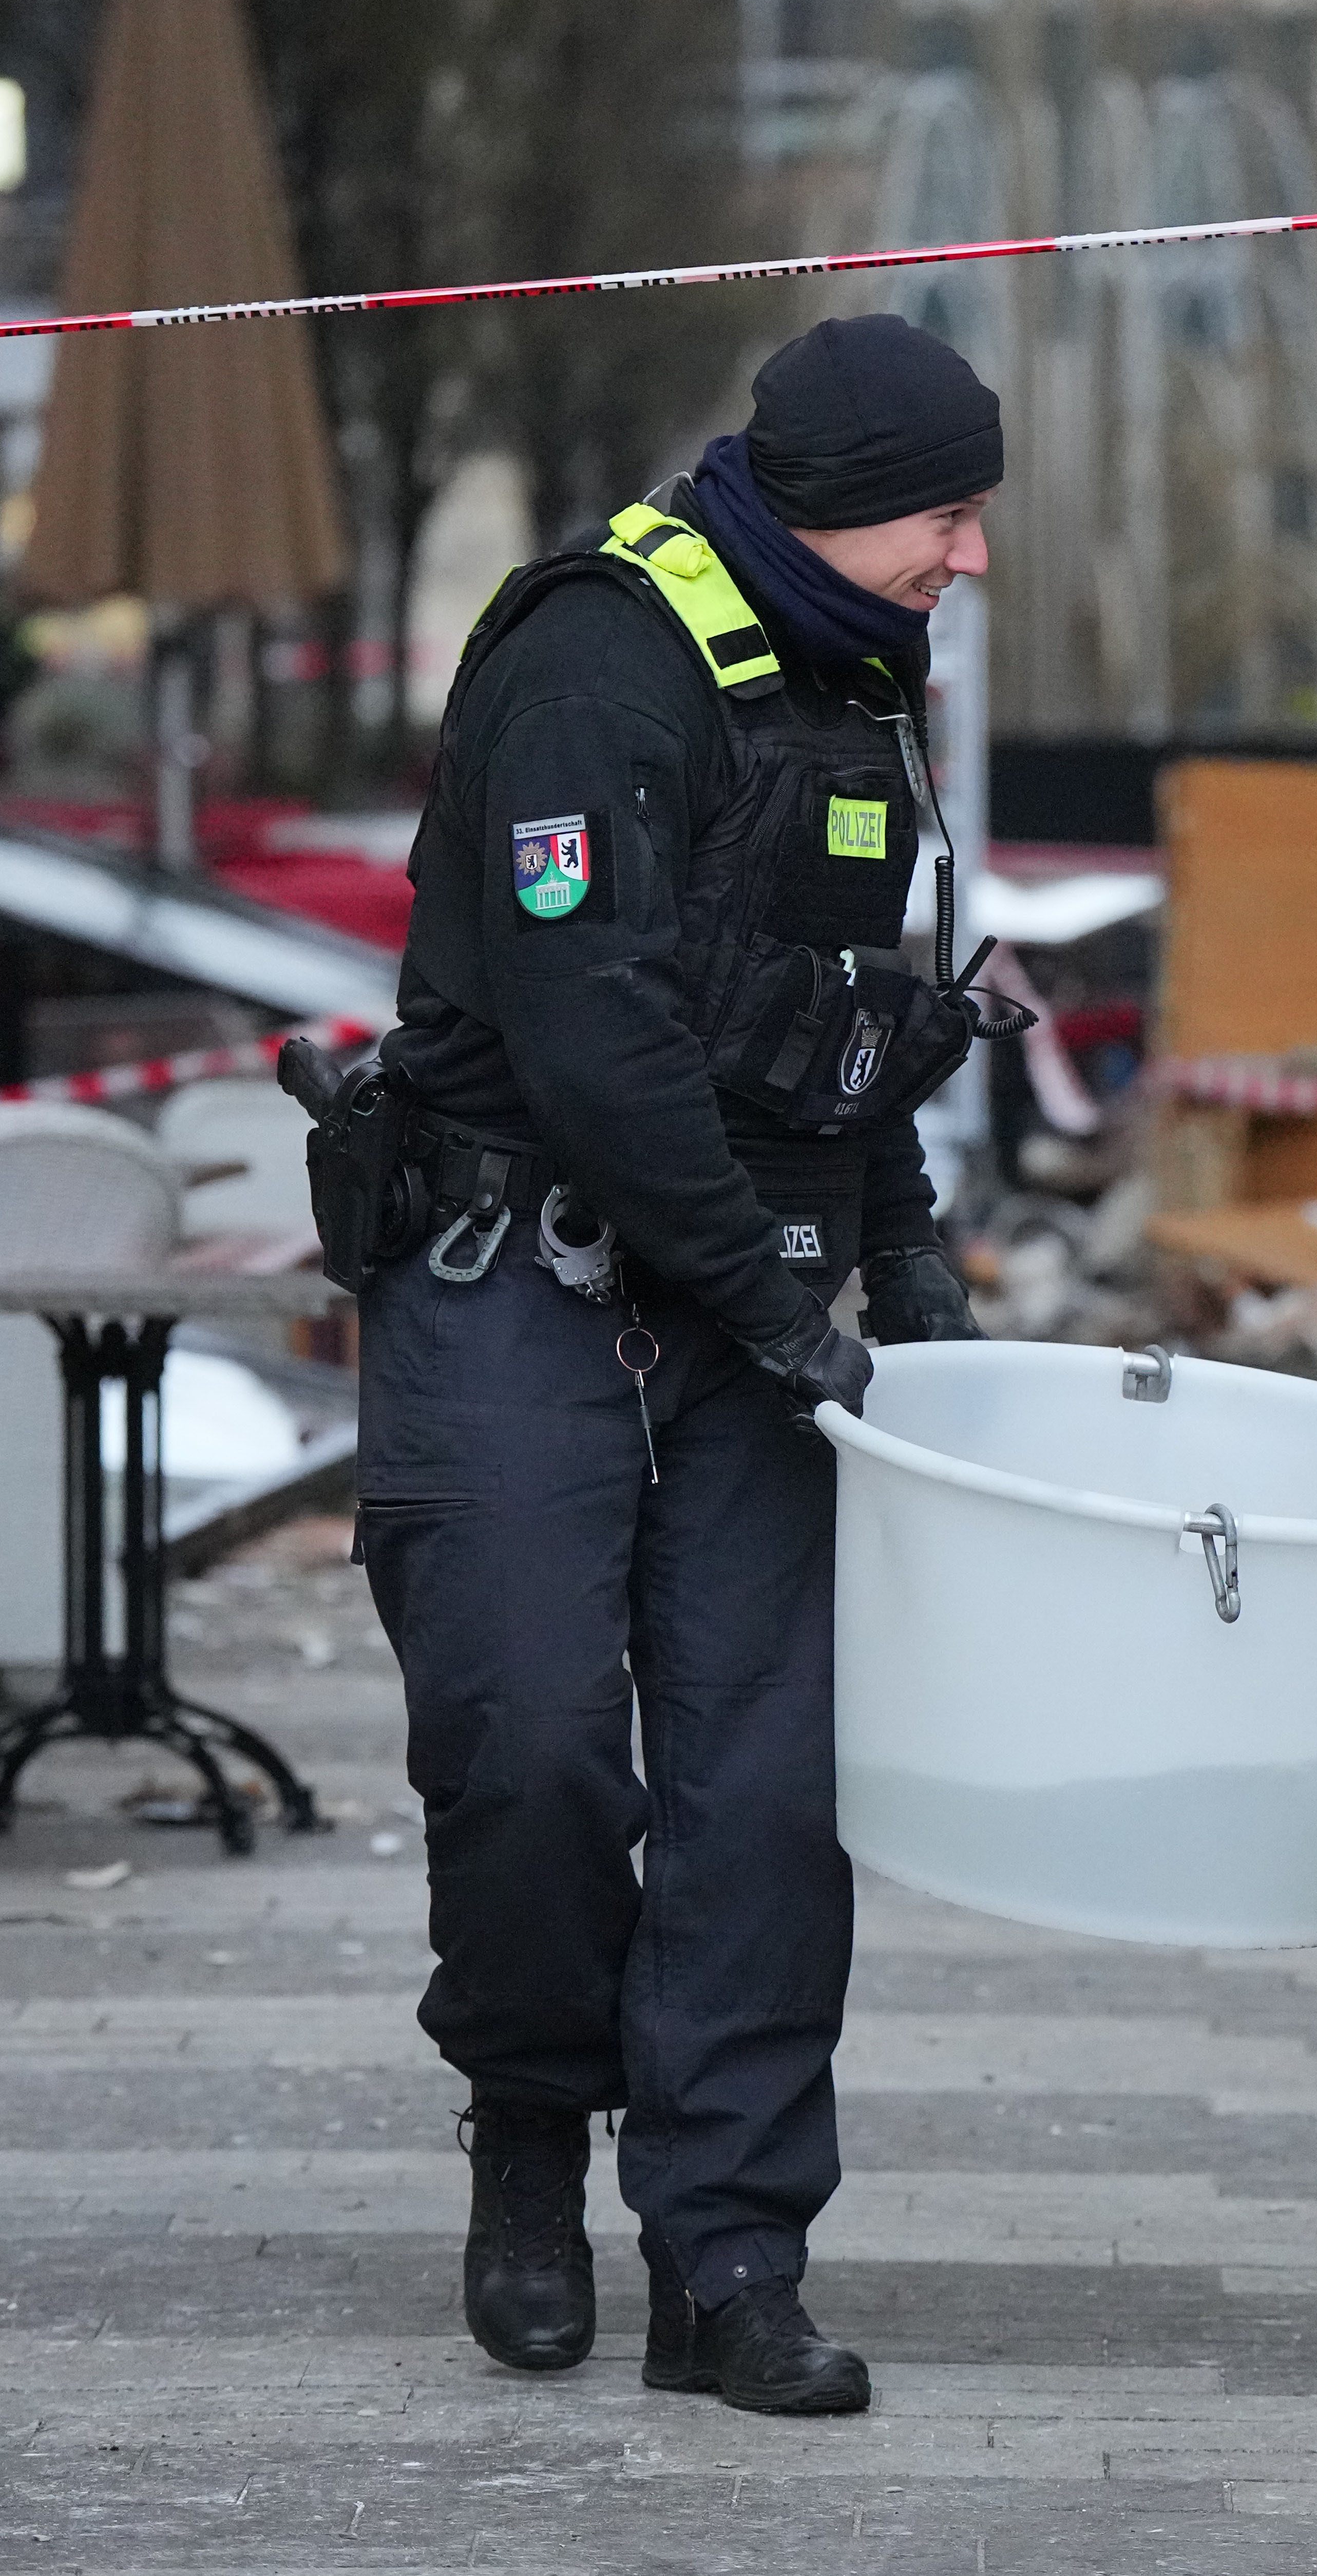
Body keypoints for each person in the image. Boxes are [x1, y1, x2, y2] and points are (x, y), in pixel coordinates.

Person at [307, 314, 1014, 2419]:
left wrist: (908, 1266)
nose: (970, 556)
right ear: (832, 499)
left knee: (762, 1799)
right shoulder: (595, 660)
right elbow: (592, 1029)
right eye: (947, 514)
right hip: (519, 1273)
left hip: (756, 1295)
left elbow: (847, 1006)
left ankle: (728, 2252)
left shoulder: (860, 675)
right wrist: (775, 1301)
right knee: (528, 1742)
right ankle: (531, 2115)